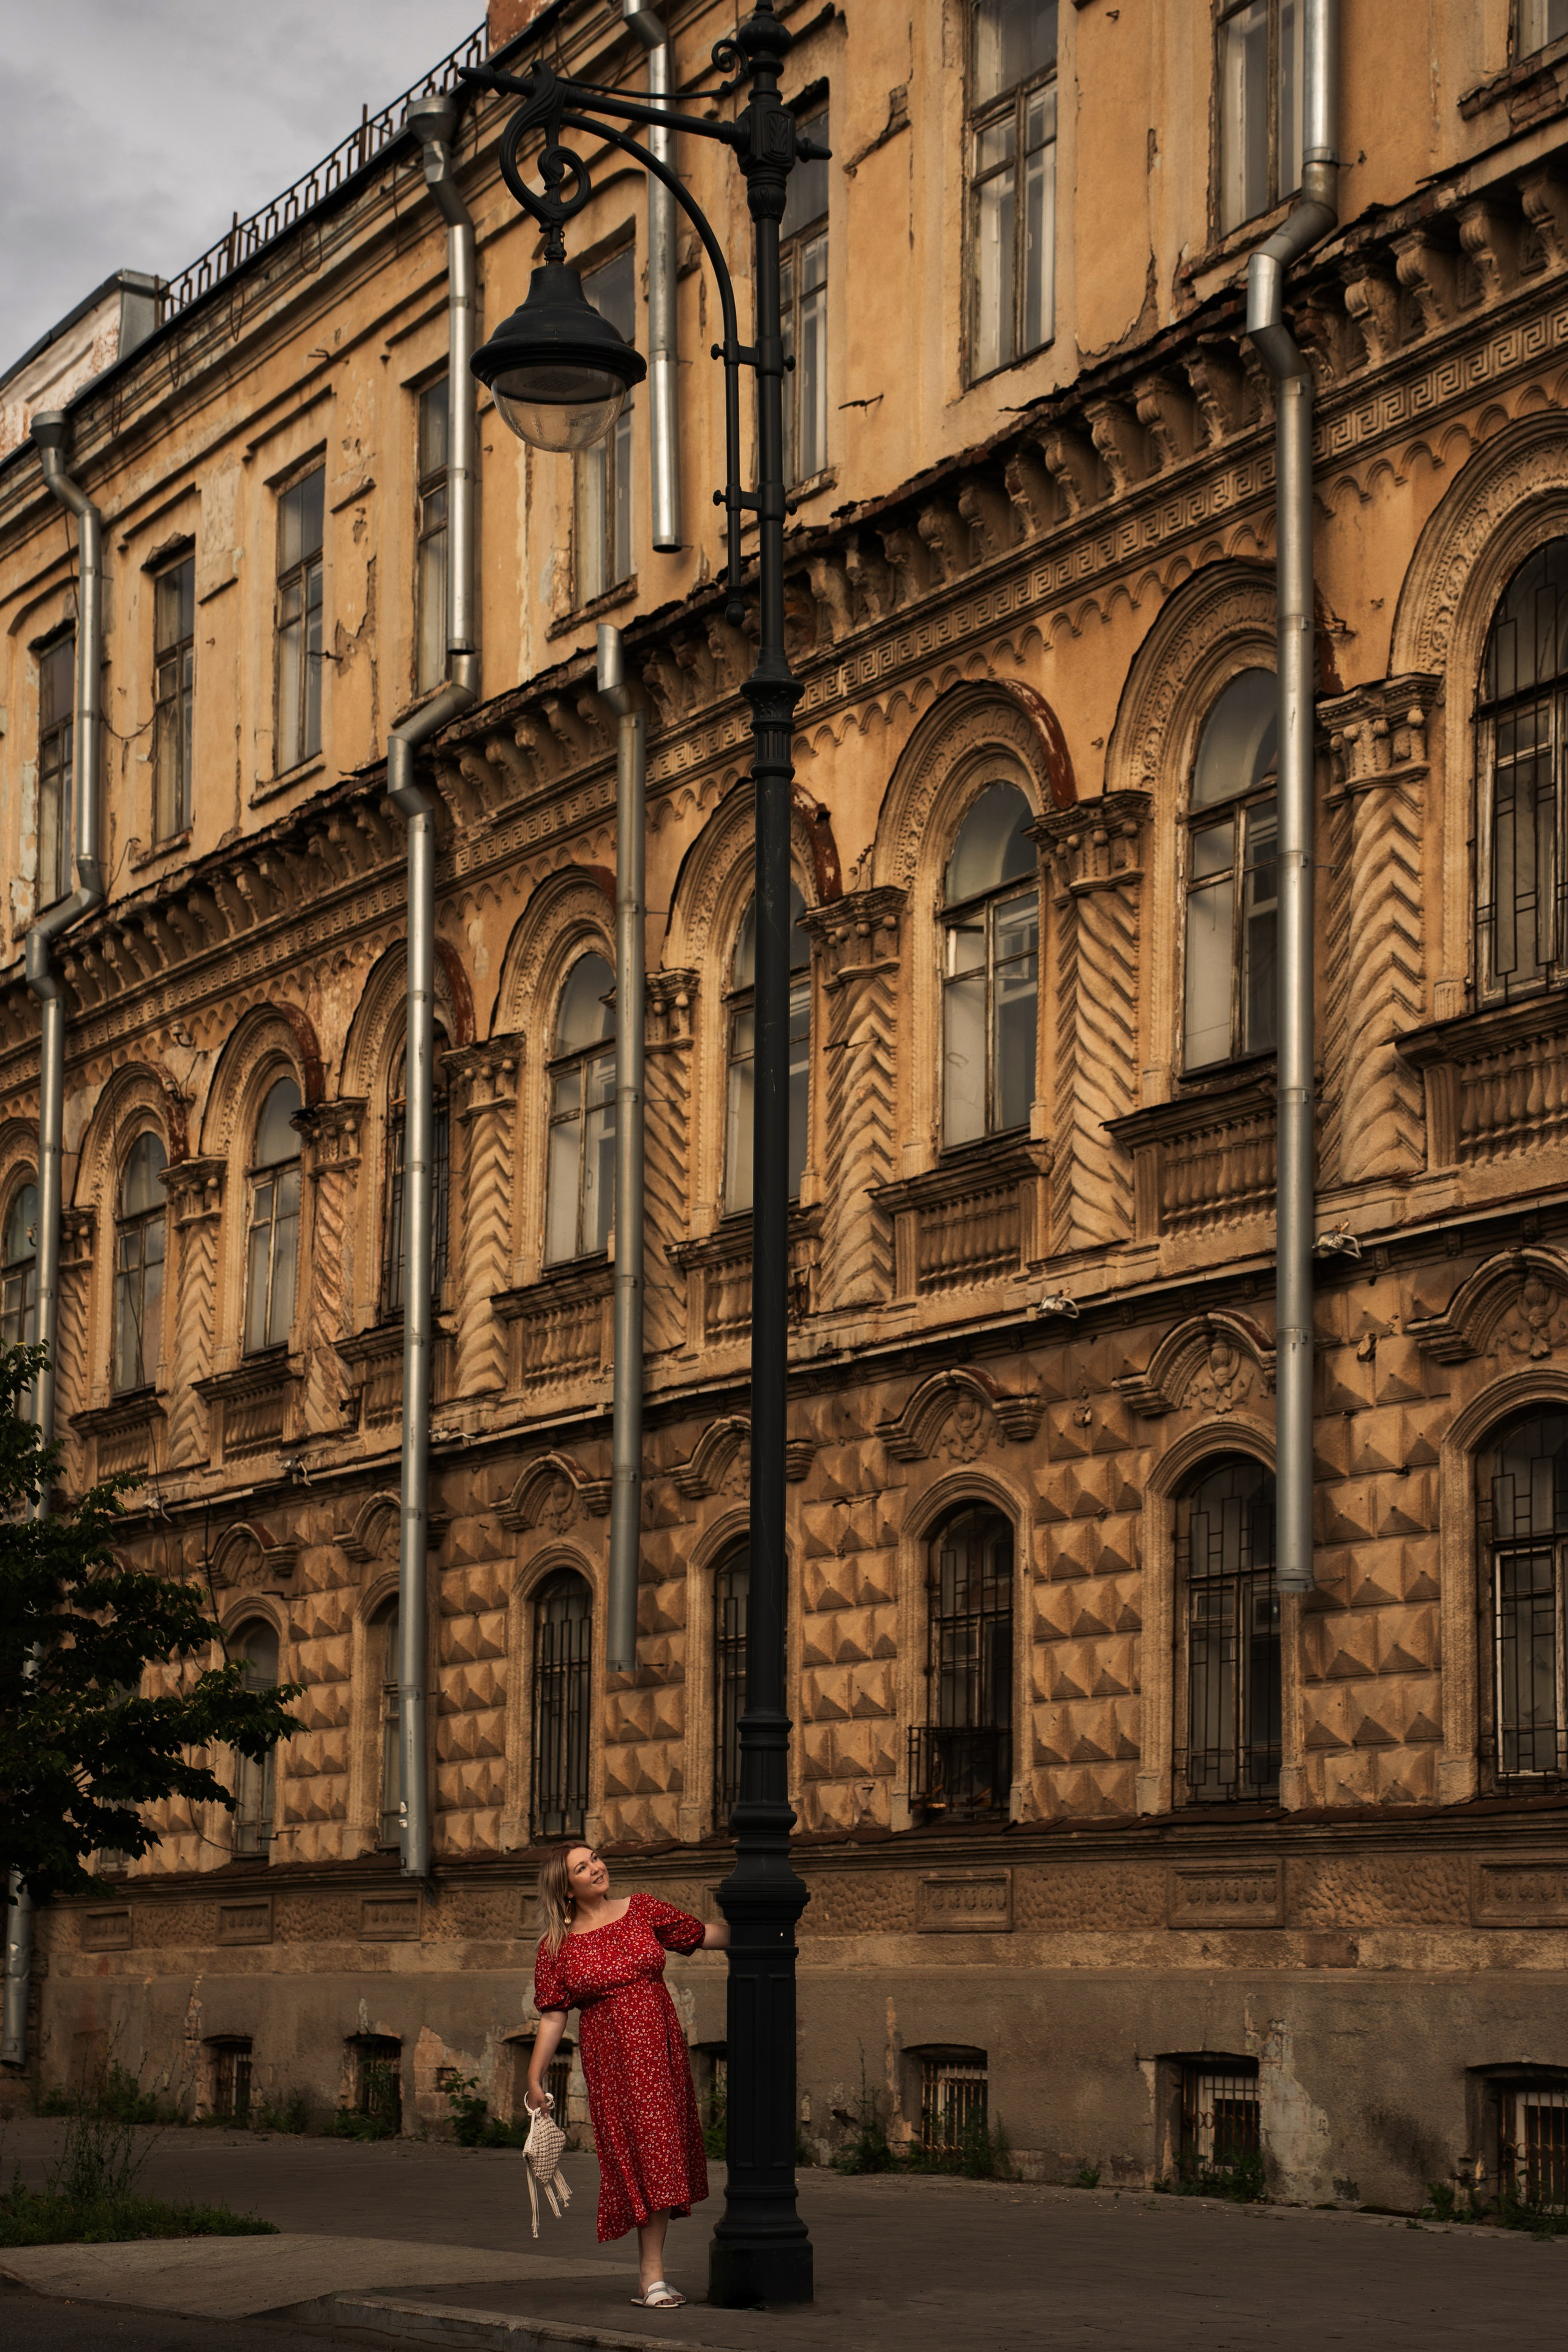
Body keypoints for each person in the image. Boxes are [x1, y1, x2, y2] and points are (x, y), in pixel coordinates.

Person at [526, 1842, 728, 2310]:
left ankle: (651, 2276)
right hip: (612, 2061)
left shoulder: (642, 1910)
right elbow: (553, 2016)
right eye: (582, 1867)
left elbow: (701, 1935)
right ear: (567, 1888)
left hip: (659, 2050)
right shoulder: (557, 1945)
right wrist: (535, 2078)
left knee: (661, 2152)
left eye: (595, 1858)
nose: (596, 1868)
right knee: (640, 2156)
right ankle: (650, 2277)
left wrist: (770, 1931)